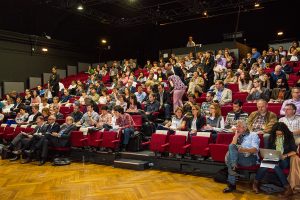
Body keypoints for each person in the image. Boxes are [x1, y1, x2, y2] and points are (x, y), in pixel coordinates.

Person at [252, 122, 296, 197]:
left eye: (280, 134)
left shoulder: (289, 136)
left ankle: (255, 183)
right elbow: (269, 149)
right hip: (274, 158)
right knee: (267, 164)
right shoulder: (272, 137)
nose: (278, 135)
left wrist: (285, 155)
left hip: (284, 160)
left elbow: (294, 151)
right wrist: (268, 155)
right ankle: (288, 189)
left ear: (284, 132)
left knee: (273, 165)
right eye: (277, 134)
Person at [223, 120, 259, 193]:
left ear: (245, 128)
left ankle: (231, 185)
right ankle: (234, 166)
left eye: (239, 126)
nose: (237, 128)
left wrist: (243, 150)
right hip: (238, 158)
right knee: (231, 147)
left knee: (230, 156)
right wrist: (236, 136)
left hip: (250, 158)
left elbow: (255, 150)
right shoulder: (237, 135)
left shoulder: (253, 135)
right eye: (236, 126)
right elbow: (232, 147)